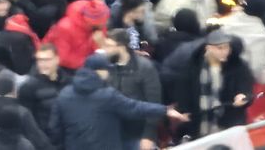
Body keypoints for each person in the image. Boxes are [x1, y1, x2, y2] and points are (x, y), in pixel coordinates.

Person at [48, 54, 183, 150]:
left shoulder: (64, 94)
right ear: (100, 71)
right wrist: (165, 110)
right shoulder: (106, 96)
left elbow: (55, 129)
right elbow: (135, 108)